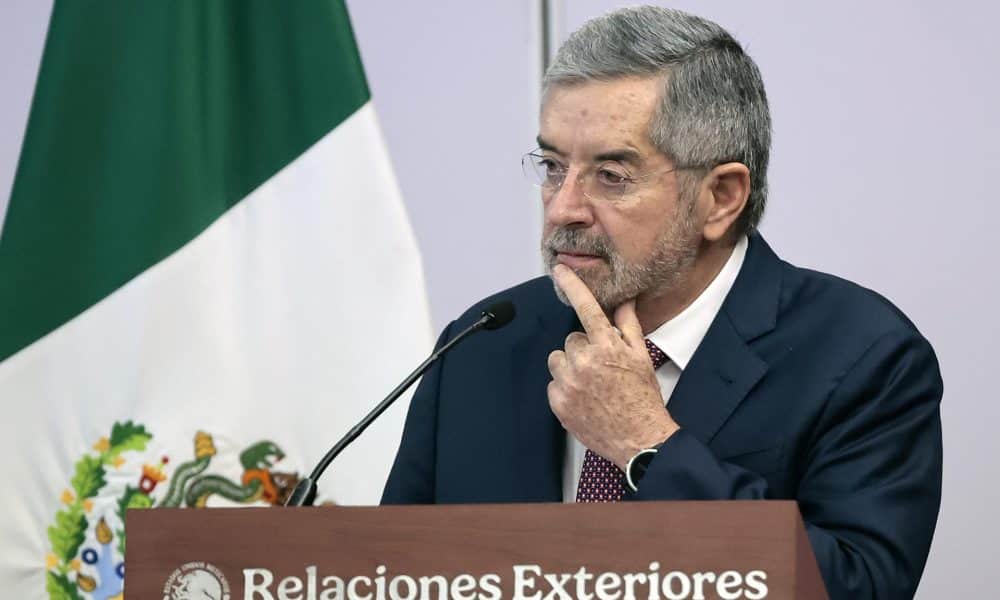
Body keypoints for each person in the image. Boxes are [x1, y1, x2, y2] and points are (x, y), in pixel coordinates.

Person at [382, 6, 942, 598]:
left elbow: (859, 588)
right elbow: (394, 571)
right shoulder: (485, 341)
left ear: (721, 197)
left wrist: (645, 443)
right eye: (552, 167)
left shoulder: (863, 356)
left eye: (612, 175)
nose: (561, 208)